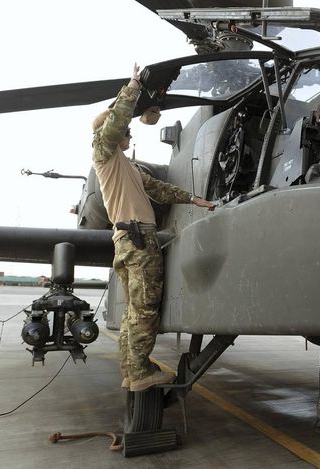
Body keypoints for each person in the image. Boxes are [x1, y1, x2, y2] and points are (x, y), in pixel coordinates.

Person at [92, 64, 216, 392]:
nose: (129, 133)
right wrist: (132, 86)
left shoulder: (126, 167)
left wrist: (193, 199)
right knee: (146, 308)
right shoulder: (104, 153)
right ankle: (141, 372)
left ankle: (131, 371)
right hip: (137, 240)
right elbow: (117, 120)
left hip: (131, 240)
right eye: (126, 131)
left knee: (135, 311)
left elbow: (159, 189)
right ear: (111, 133)